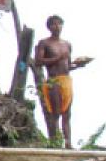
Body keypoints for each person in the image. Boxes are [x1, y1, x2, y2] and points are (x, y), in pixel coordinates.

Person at [35, 15, 84, 149]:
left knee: (67, 113)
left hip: (66, 79)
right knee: (55, 113)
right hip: (53, 80)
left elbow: (67, 66)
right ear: (49, 27)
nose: (57, 27)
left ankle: (68, 143)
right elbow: (38, 62)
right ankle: (55, 142)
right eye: (54, 24)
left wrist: (78, 65)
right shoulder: (44, 43)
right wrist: (57, 58)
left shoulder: (67, 44)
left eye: (59, 24)